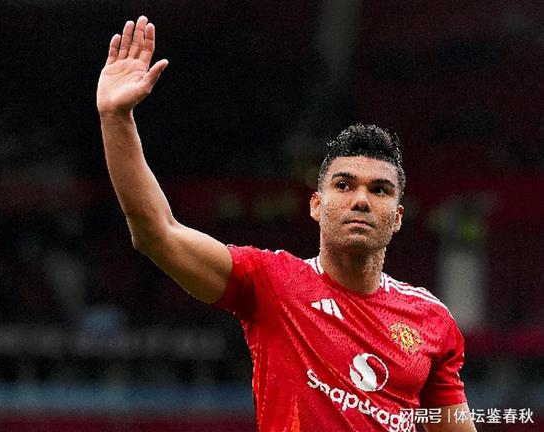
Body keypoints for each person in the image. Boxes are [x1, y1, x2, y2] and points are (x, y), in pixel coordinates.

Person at [96, 16, 476, 432]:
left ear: (398, 217)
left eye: (380, 190)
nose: (361, 200)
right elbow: (157, 234)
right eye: (344, 185)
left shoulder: (431, 320)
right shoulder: (270, 283)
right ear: (316, 205)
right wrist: (116, 118)